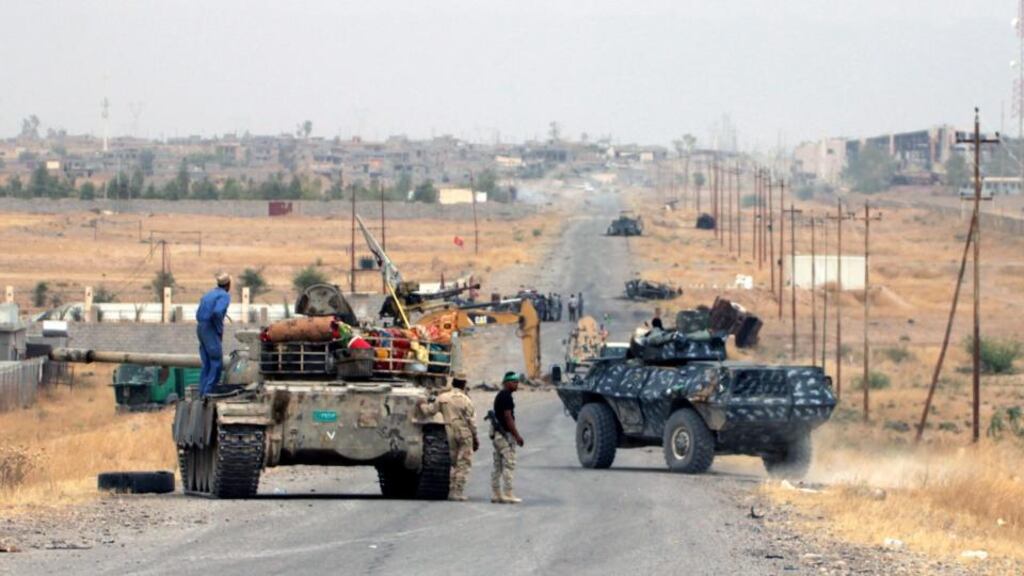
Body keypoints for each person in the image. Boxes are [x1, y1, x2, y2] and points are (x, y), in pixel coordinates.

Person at [419, 374, 479, 501]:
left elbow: (429, 411)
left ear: (453, 383)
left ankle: (451, 489)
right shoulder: (466, 400)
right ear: (464, 384)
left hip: (449, 431)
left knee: (454, 462)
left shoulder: (442, 398)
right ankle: (457, 491)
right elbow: (471, 422)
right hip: (464, 432)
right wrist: (475, 438)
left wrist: (422, 404)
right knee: (464, 463)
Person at [489, 372, 524, 504]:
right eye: (514, 382)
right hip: (504, 435)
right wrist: (517, 436)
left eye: (517, 382)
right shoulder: (506, 397)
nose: (517, 384)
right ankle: (508, 493)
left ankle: (496, 494)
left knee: (498, 465)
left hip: (498, 436)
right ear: (507, 383)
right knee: (509, 463)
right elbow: (508, 418)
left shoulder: (500, 395)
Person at [196, 272, 231, 396]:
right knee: (216, 361)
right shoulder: (224, 296)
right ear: (228, 284)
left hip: (201, 327)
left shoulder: (208, 295)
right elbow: (217, 312)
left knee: (206, 363)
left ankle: (201, 392)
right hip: (210, 328)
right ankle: (209, 392)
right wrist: (219, 330)